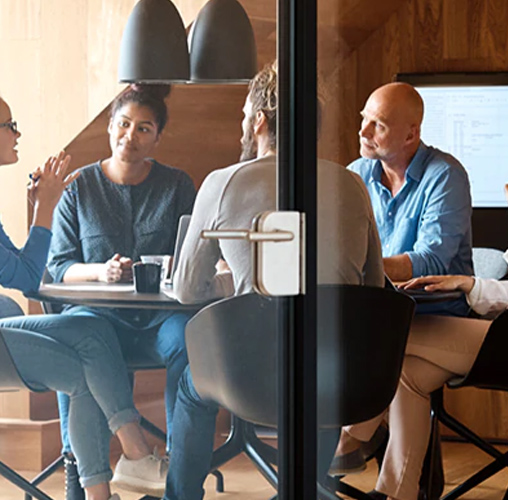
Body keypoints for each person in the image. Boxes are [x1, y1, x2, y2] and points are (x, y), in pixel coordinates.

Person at [338, 93, 508, 500]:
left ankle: (349, 438)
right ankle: (395, 492)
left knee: (393, 336)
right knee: (411, 376)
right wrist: (467, 283)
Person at [0, 87, 168, 500]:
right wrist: (45, 210)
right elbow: (27, 278)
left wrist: (39, 212)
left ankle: (134, 455)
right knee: (76, 373)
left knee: (91, 331)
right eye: (8, 126)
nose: (16, 134)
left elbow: (22, 267)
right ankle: (102, 491)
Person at [163, 61, 384, 500]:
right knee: (321, 362)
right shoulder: (351, 184)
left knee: (189, 380)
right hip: (341, 372)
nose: (243, 124)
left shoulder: (223, 182)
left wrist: (238, 282)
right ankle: (304, 489)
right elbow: (373, 288)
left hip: (253, 374)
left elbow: (187, 289)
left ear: (260, 120)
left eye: (245, 115)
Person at [46, 84, 196, 497]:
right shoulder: (78, 189)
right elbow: (58, 267)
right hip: (96, 316)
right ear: (110, 127)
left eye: (144, 128)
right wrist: (101, 272)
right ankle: (82, 480)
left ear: (158, 137)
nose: (131, 136)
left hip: (160, 318)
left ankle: (179, 480)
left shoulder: (178, 186)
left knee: (190, 342)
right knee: (78, 338)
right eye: (124, 124)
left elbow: (193, 259)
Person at [347, 82, 474, 317]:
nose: (363, 132)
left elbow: (431, 261)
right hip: (379, 310)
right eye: (365, 119)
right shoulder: (356, 174)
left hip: (433, 314)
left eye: (379, 125)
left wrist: (361, 268)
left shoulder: (446, 176)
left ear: (410, 135)